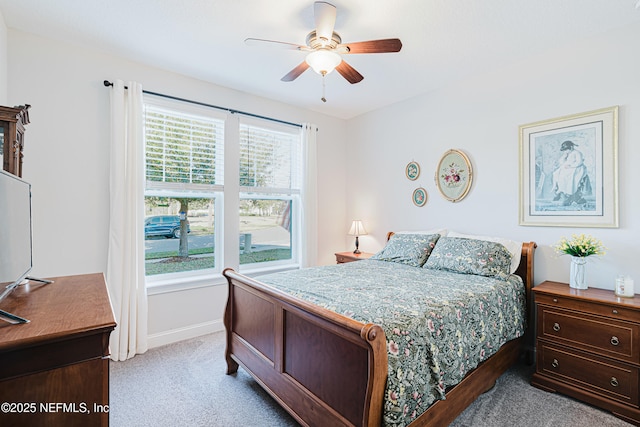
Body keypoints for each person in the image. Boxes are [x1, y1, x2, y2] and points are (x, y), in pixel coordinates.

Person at [551, 140, 591, 206]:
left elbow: (579, 162)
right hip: (568, 168)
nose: (566, 151)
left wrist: (571, 166)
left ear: (571, 147)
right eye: (565, 150)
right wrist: (564, 156)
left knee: (568, 176)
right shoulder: (567, 154)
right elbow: (561, 162)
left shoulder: (577, 153)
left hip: (577, 168)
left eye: (567, 150)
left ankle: (569, 193)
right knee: (556, 174)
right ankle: (561, 191)